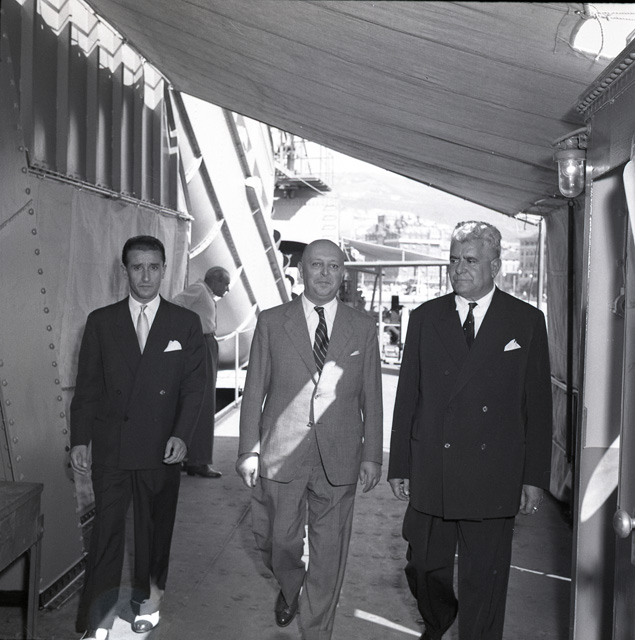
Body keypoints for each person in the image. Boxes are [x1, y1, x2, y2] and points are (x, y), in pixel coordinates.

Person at [388, 221, 552, 640]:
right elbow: (407, 396)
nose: (459, 268)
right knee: (424, 566)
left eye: (471, 260)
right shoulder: (425, 317)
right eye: (454, 260)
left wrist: (534, 478)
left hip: (493, 471)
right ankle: (438, 619)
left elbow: (538, 406)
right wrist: (400, 465)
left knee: (486, 579)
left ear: (495, 266)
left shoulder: (526, 320)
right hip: (433, 467)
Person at [236, 239, 383, 640]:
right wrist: (248, 449)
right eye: (316, 265)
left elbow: (372, 394)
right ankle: (290, 586)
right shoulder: (272, 322)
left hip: (340, 455)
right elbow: (254, 389)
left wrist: (372, 454)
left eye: (333, 266)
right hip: (280, 453)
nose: (324, 273)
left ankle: (317, 631)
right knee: (276, 541)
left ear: (343, 273)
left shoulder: (363, 326)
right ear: (301, 270)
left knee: (329, 554)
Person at [69, 235, 207, 640]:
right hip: (111, 445)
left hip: (162, 447)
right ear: (125, 271)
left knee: (153, 532)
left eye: (153, 267)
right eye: (137, 267)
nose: (145, 276)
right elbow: (88, 388)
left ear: (164, 270)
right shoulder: (101, 321)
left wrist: (182, 435)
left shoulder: (185, 323)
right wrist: (80, 439)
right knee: (106, 534)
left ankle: (148, 604)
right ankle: (98, 619)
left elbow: (194, 387)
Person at [172, 266, 231, 478]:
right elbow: (175, 305)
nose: (227, 289)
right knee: (205, 403)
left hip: (205, 344)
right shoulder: (198, 290)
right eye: (226, 284)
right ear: (215, 280)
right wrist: (191, 332)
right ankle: (198, 460)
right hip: (202, 344)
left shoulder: (204, 293)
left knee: (196, 401)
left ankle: (189, 457)